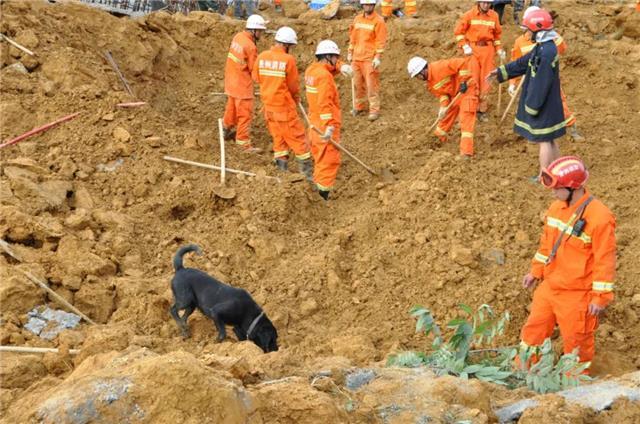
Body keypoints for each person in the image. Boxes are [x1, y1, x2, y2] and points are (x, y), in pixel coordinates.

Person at [519, 156, 616, 373]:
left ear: (574, 187)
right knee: (532, 333)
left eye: (558, 188)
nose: (554, 193)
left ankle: (576, 388)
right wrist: (535, 271)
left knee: (576, 346)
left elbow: (604, 260)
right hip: (550, 288)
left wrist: (599, 298)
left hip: (577, 295)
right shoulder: (556, 208)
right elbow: (547, 245)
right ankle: (523, 373)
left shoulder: (600, 218)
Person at [487, 8, 567, 174]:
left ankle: (544, 174)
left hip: (544, 103)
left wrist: (532, 105)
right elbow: (524, 62)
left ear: (538, 29)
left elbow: (540, 83)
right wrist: (501, 71)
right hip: (550, 102)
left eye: (529, 30)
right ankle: (558, 172)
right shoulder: (544, 47)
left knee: (544, 141)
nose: (527, 33)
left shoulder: (545, 52)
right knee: (550, 140)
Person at [509, 6, 583, 141]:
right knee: (531, 105)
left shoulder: (548, 39)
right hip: (530, 80)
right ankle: (533, 133)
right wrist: (512, 83)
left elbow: (562, 48)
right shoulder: (519, 42)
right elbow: (517, 62)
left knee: (559, 102)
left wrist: (552, 33)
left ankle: (571, 127)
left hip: (547, 77)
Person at [253, 27, 313, 178]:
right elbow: (293, 86)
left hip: (269, 108)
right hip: (284, 109)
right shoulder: (288, 60)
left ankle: (282, 172)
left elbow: (256, 78)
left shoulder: (262, 56)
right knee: (299, 140)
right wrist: (295, 98)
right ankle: (306, 176)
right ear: (286, 45)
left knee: (279, 139)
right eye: (291, 47)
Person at [304, 41, 353, 200]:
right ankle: (322, 196)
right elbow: (324, 104)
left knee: (319, 158)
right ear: (327, 57)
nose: (336, 60)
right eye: (335, 57)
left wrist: (341, 66)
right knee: (329, 161)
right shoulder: (325, 77)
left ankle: (317, 187)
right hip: (324, 127)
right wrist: (329, 127)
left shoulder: (312, 70)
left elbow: (330, 67)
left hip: (314, 124)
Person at [407, 55, 480, 157]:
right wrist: (443, 107)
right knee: (446, 116)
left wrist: (463, 81)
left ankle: (466, 152)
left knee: (465, 118)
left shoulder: (440, 67)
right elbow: (442, 94)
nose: (418, 79)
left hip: (467, 90)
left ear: (423, 70)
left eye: (417, 76)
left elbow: (462, 62)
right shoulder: (430, 84)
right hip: (455, 95)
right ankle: (436, 139)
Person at [454, 0, 505, 122]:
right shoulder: (469, 15)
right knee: (473, 79)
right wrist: (464, 45)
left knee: (486, 80)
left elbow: (497, 35)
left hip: (488, 50)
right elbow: (459, 32)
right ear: (479, 2)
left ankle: (482, 110)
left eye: (489, 3)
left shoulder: (494, 16)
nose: (486, 5)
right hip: (473, 50)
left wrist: (499, 49)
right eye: (484, 2)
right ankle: (471, 108)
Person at [222, 14, 266, 153]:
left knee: (232, 108)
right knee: (244, 115)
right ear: (254, 30)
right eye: (260, 31)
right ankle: (243, 143)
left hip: (231, 81)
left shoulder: (238, 37)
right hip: (242, 86)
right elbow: (254, 70)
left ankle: (225, 129)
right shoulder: (250, 46)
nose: (261, 34)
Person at [348, 0, 388, 121]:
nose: (368, 6)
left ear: (374, 5)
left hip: (369, 59)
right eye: (366, 4)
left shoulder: (379, 21)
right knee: (357, 85)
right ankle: (359, 107)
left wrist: (377, 57)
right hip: (356, 58)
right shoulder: (357, 19)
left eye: (370, 4)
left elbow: (380, 41)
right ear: (362, 5)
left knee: (372, 86)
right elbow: (353, 37)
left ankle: (374, 110)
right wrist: (350, 52)